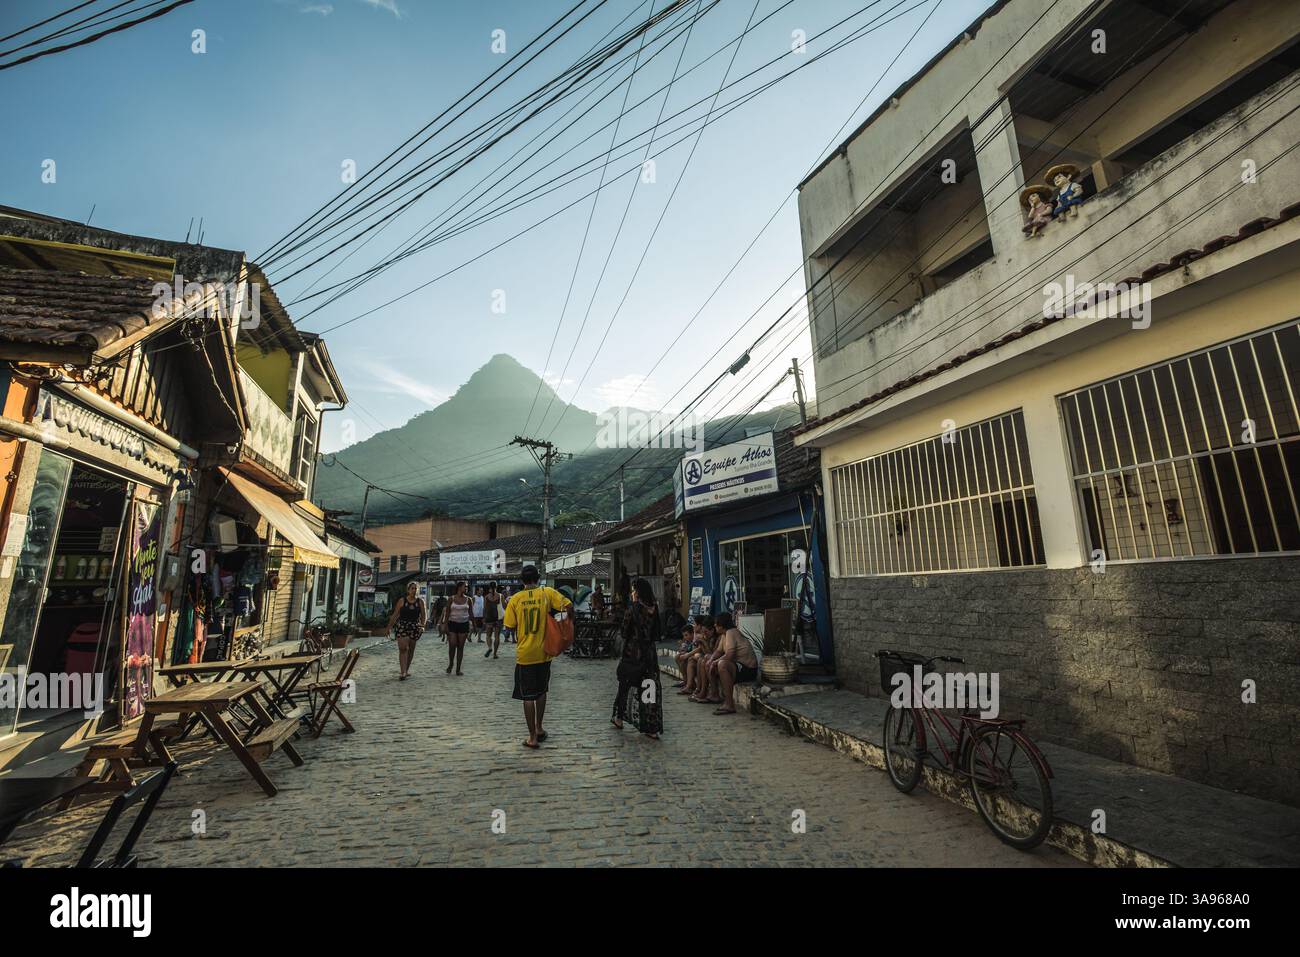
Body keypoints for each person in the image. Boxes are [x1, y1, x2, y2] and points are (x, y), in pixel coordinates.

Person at [503, 565, 571, 749]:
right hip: (544, 652)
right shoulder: (547, 593)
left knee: (527, 696)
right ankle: (540, 728)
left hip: (525, 654)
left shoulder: (516, 599)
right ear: (538, 578)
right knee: (541, 691)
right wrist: (558, 620)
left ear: (522, 580)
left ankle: (532, 737)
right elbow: (568, 606)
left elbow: (509, 626)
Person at [611, 577, 663, 738]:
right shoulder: (654, 609)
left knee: (625, 685)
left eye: (634, 590)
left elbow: (625, 631)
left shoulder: (633, 610)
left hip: (633, 653)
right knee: (649, 688)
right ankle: (651, 727)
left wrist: (632, 606)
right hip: (649, 654)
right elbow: (657, 632)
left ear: (638, 592)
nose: (632, 592)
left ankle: (619, 718)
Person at [711, 612, 759, 715]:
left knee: (722, 664)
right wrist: (711, 660)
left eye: (716, 623)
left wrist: (714, 662)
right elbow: (719, 651)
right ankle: (713, 695)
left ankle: (729, 704)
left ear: (721, 624)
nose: (714, 625)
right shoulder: (724, 634)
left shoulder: (731, 632)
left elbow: (729, 655)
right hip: (738, 667)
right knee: (705, 660)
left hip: (748, 670)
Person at [387, 581, 426, 680]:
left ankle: (406, 669)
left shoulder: (420, 602)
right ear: (408, 590)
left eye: (415, 588)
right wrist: (388, 628)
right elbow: (395, 615)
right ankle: (403, 672)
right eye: (412, 588)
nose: (414, 590)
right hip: (402, 626)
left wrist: (422, 626)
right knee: (403, 648)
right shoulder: (402, 601)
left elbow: (424, 616)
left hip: (414, 627)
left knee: (411, 650)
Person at [441, 580, 472, 675]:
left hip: (464, 624)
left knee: (460, 647)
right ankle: (451, 663)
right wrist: (445, 625)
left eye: (466, 587)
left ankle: (458, 669)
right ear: (459, 588)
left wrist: (473, 625)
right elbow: (447, 613)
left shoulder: (469, 599)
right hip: (452, 623)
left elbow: (471, 613)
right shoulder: (451, 599)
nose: (466, 588)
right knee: (452, 645)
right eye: (464, 586)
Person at [482, 583, 503, 658]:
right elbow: (504, 606)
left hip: (489, 618)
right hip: (498, 618)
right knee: (497, 636)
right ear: (496, 587)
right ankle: (495, 654)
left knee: (488, 635)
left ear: (489, 587)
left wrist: (483, 618)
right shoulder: (500, 596)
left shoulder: (487, 597)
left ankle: (490, 648)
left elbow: (484, 608)